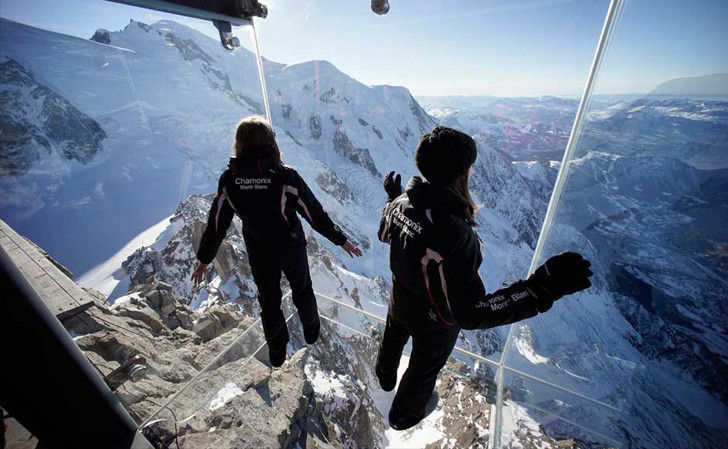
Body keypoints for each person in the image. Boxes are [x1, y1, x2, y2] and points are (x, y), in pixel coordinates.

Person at [376, 126, 593, 430]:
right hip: (436, 323)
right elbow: (471, 312)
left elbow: (386, 234)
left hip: (400, 299)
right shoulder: (456, 232)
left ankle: (384, 376)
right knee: (422, 370)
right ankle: (404, 416)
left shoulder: (400, 205)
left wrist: (393, 200)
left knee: (392, 338)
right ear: (462, 173)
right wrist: (539, 289)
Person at [191, 116, 362, 367]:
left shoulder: (230, 180)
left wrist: (205, 258)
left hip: (259, 249)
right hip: (290, 245)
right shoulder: (285, 177)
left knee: (268, 300)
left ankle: (277, 352)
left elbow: (217, 224)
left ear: (239, 144)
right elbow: (313, 213)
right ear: (270, 142)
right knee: (302, 289)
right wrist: (341, 240)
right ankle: (311, 331)